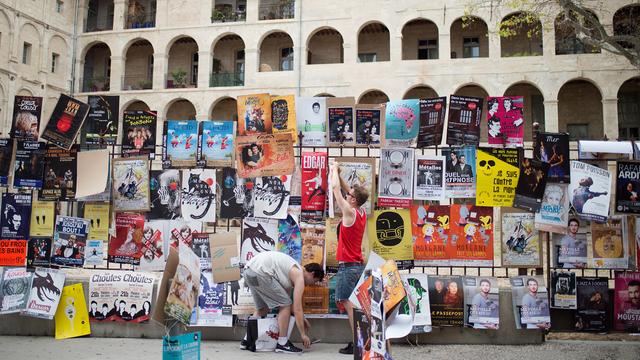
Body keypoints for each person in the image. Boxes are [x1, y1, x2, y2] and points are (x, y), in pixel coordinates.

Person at [241, 251, 324, 354]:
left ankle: (247, 340)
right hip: (260, 271)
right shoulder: (299, 275)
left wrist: (302, 318)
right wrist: (303, 334)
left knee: (262, 309)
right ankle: (282, 343)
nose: (312, 284)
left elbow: (290, 303)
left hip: (249, 271)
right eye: (315, 281)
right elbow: (294, 307)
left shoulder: (288, 273)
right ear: (312, 274)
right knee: (285, 305)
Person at [330, 161, 369, 355]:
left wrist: (332, 168)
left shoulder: (349, 211)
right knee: (352, 303)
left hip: (348, 267)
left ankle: (359, 342)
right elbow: (346, 189)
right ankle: (359, 340)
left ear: (353, 200)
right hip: (356, 266)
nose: (348, 195)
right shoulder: (361, 211)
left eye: (350, 195)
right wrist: (339, 173)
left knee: (347, 303)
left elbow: (336, 189)